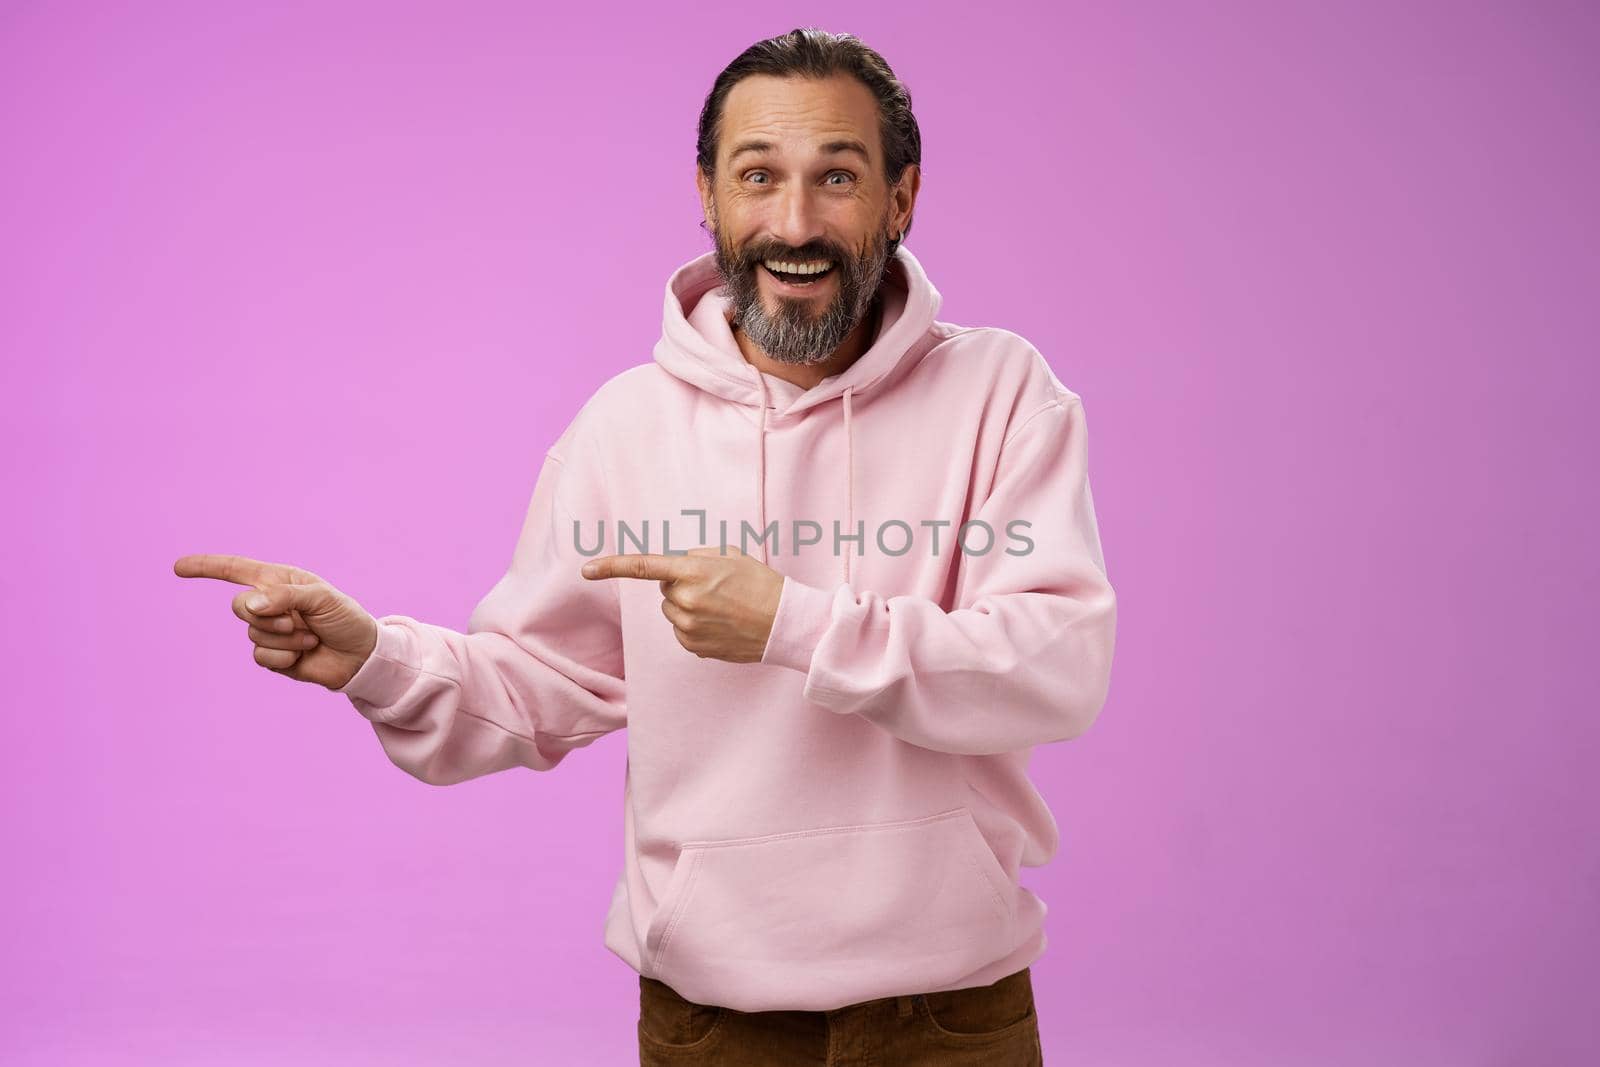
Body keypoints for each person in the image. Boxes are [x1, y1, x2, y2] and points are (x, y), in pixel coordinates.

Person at [175, 27, 1116, 1066]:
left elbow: (1054, 667)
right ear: (707, 195)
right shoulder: (624, 427)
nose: (794, 221)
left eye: (836, 177)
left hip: (949, 1016)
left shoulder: (1003, 396)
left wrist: (789, 623)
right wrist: (376, 658)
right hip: (710, 1019)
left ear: (901, 199)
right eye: (758, 176)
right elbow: (534, 683)